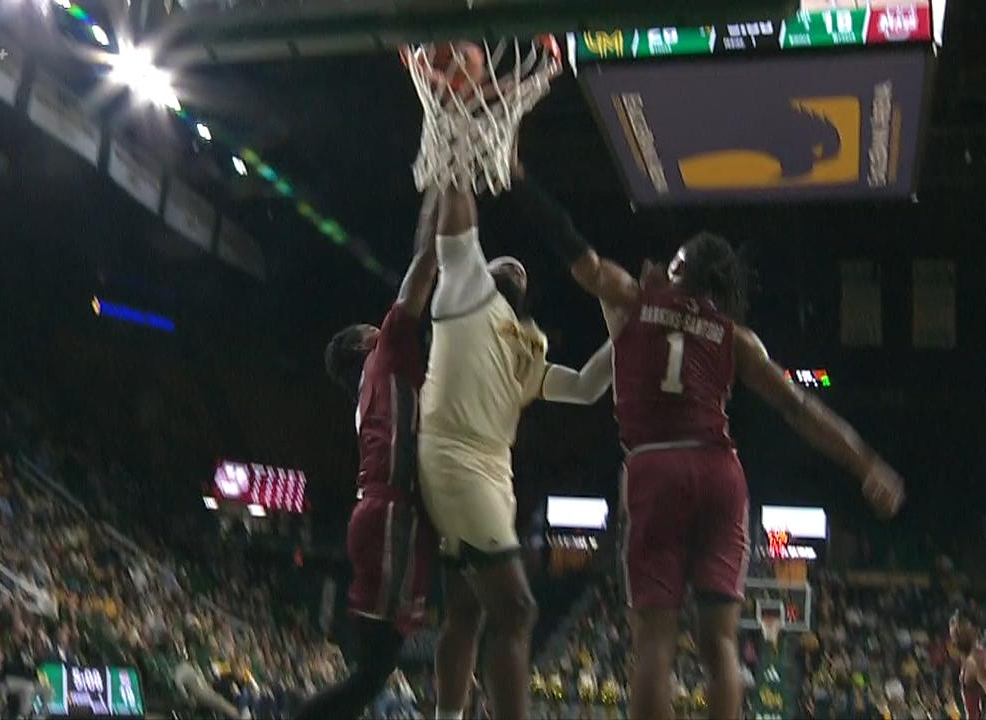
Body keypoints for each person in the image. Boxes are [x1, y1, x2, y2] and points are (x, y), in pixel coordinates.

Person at [509, 159, 905, 720]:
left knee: (653, 643)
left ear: (681, 266)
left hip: (655, 467)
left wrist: (521, 178)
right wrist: (867, 463)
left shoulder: (634, 297)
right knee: (720, 642)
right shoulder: (736, 336)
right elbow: (799, 407)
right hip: (720, 472)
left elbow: (576, 249)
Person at [420, 185, 614, 720]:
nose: (515, 269)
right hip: (456, 460)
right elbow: (457, 235)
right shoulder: (465, 290)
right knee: (519, 611)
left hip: (491, 473)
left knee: (465, 614)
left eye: (522, 271)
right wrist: (458, 168)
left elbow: (584, 387)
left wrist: (626, 328)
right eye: (504, 263)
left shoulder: (524, 347)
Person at [300, 190, 441, 720]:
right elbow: (424, 261)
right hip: (391, 517)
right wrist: (439, 190)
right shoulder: (385, 354)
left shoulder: (379, 377)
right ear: (363, 346)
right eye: (369, 328)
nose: (377, 325)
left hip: (387, 516)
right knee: (371, 675)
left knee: (373, 674)